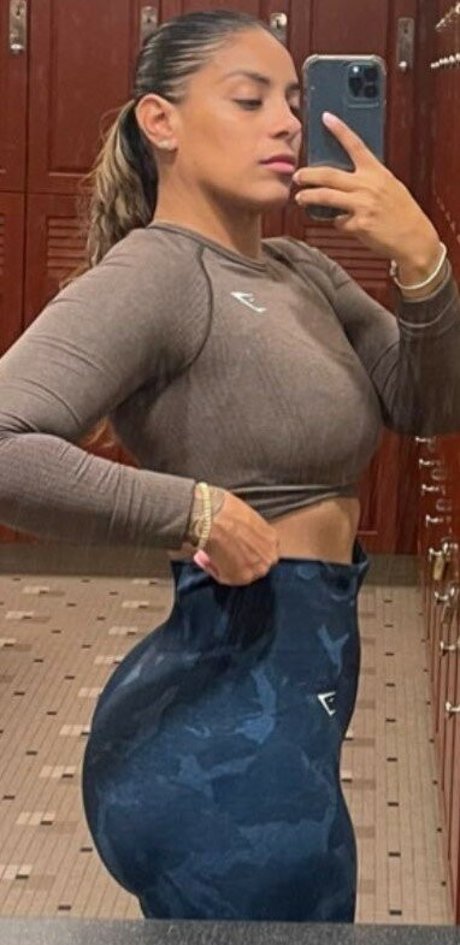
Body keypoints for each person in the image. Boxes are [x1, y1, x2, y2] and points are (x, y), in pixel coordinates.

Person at [0, 8, 459, 924]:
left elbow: (428, 403)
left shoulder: (302, 271)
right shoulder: (159, 274)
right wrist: (194, 511)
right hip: (222, 749)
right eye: (249, 100)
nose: (287, 123)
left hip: (280, 709)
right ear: (159, 121)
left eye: (292, 100)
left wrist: (424, 263)